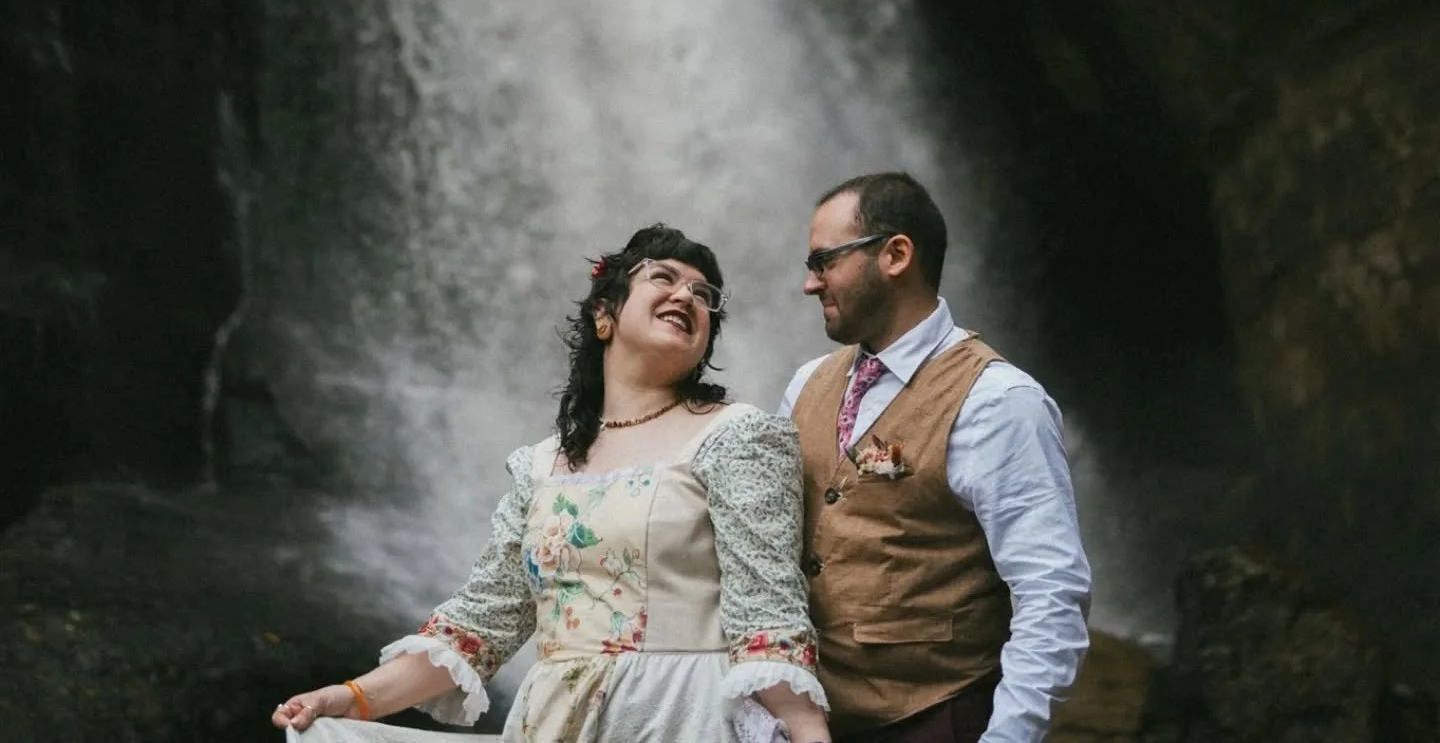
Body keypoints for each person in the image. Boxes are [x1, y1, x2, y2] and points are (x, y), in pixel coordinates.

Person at [273, 224, 831, 743]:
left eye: (704, 295)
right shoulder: (539, 467)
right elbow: (480, 626)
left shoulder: (738, 437)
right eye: (663, 277)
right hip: (554, 721)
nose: (688, 296)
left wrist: (808, 733)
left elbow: (768, 618)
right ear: (603, 315)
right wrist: (350, 698)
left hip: (680, 714)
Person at [779, 174, 1091, 743]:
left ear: (896, 255)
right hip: (811, 724)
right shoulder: (805, 387)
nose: (809, 283)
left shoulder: (998, 400)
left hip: (941, 718)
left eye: (824, 261)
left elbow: (1051, 590)